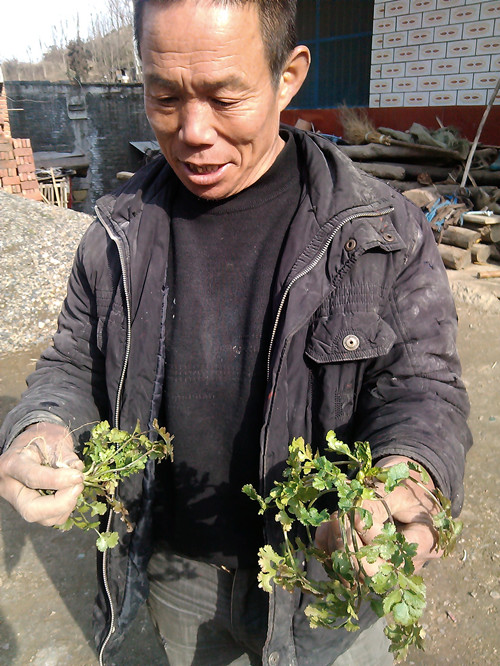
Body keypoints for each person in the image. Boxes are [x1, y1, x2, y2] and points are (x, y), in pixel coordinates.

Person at [0, 1, 472, 665]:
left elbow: (423, 387)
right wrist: (42, 426)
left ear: (288, 76)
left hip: (323, 576)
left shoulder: (380, 232)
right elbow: (74, 364)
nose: (193, 131)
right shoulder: (115, 234)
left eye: (226, 97)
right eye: (165, 96)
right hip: (180, 574)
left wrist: (408, 474)